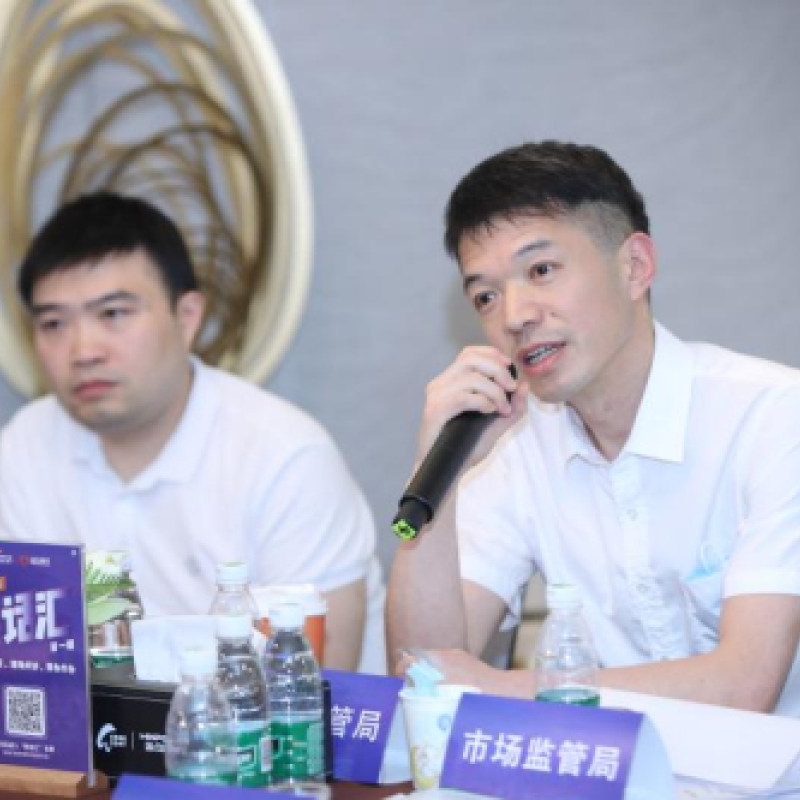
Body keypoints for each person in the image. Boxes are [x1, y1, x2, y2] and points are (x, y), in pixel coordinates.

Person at [387, 141, 800, 714]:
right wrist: (437, 474)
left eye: (541, 271)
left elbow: (745, 685)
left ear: (635, 267)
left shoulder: (775, 418)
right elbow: (422, 672)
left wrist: (497, 687)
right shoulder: (513, 443)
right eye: (486, 296)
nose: (515, 316)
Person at [0, 191, 385, 673]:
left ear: (187, 318)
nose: (83, 350)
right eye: (54, 323)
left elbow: (313, 684)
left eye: (113, 314)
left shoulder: (285, 456)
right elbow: (25, 667)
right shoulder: (23, 448)